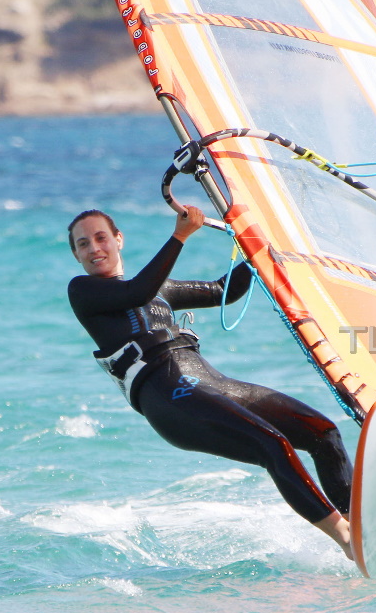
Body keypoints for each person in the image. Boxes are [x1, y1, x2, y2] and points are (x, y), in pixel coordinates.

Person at [66, 205, 354, 559]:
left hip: (209, 382)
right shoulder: (82, 291)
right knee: (273, 445)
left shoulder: (161, 290)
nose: (95, 248)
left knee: (323, 433)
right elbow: (135, 293)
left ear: (118, 240)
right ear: (77, 255)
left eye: (101, 237)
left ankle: (357, 522)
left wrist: (259, 252)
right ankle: (345, 540)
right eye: (83, 244)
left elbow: (223, 290)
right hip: (169, 397)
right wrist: (180, 236)